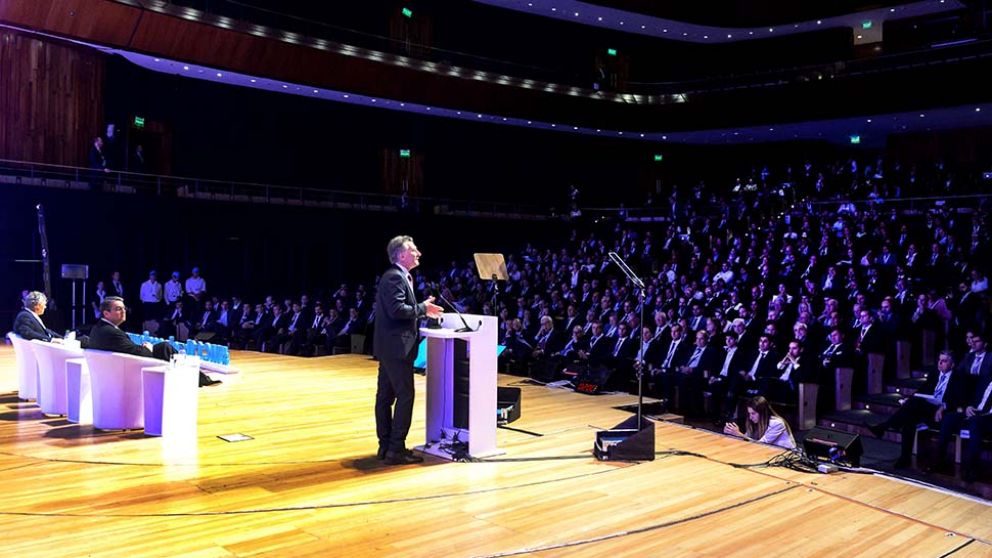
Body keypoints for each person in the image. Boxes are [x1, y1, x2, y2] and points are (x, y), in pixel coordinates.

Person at [373, 235, 443, 465]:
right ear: (401, 254)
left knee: (385, 397)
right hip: (397, 348)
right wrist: (423, 308)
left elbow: (400, 308)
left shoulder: (397, 276)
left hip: (390, 347)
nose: (418, 253)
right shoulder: (395, 277)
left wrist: (421, 308)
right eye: (414, 250)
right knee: (404, 396)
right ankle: (396, 449)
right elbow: (397, 310)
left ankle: (385, 447)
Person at [88, 296, 220, 387]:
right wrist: (147, 347)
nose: (124, 311)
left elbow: (127, 349)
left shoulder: (98, 328)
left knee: (164, 348)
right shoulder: (111, 332)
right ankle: (196, 379)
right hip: (128, 371)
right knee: (165, 348)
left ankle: (197, 378)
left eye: (123, 308)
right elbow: (141, 354)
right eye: (118, 309)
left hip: (118, 367)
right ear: (106, 314)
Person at [723, 395, 796, 450]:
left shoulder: (777, 423)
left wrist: (739, 434)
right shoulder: (754, 422)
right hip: (770, 454)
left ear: (762, 412)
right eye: (749, 414)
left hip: (786, 455)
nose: (750, 417)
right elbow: (748, 439)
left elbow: (761, 445)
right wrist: (732, 434)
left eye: (753, 413)